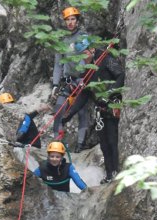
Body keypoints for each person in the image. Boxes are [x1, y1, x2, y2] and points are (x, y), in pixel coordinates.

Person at [62, 37, 125, 184]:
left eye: (84, 54)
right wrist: (69, 114)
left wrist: (108, 95)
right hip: (100, 108)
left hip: (112, 103)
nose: (82, 58)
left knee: (112, 139)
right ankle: (109, 173)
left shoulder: (105, 58)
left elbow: (120, 75)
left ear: (91, 50)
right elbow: (84, 95)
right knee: (103, 142)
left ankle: (115, 171)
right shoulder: (86, 71)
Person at [51, 7, 89, 153]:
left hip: (81, 79)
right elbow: (58, 64)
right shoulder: (62, 41)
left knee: (81, 112)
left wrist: (82, 78)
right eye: (68, 20)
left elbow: (85, 58)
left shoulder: (84, 37)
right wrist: (55, 84)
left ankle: (80, 145)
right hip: (67, 81)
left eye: (73, 19)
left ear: (77, 21)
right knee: (59, 110)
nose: (70, 22)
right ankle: (57, 143)